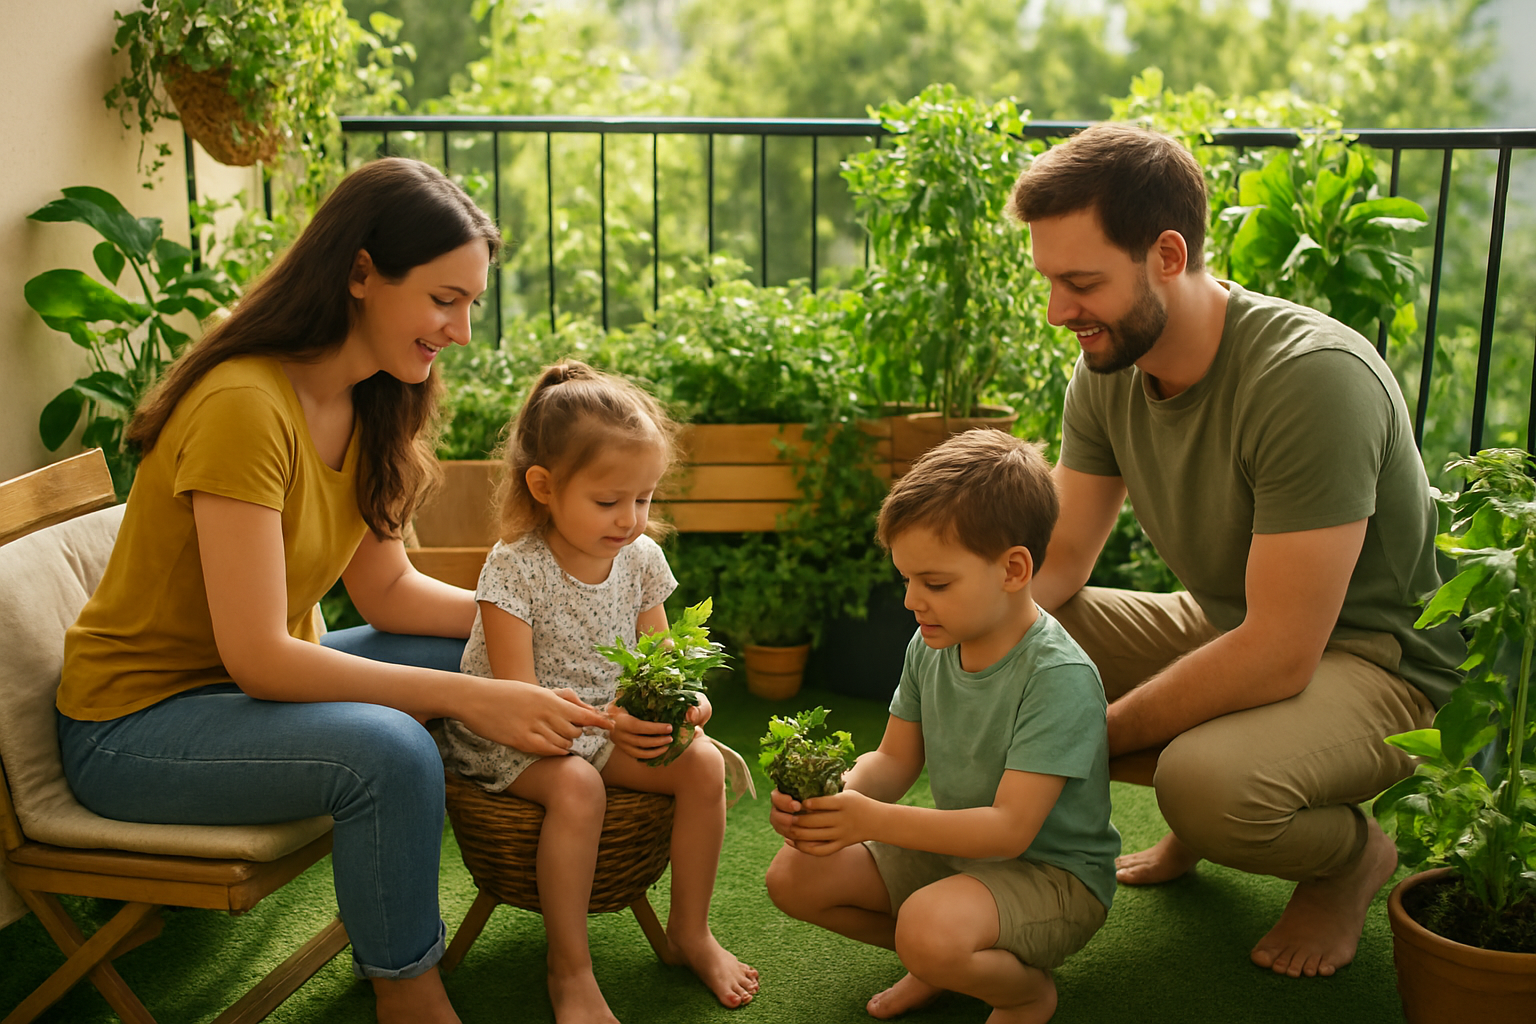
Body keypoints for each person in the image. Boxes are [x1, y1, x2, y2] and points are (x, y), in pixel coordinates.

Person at [55, 157, 614, 1024]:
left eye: (470, 302)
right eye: (443, 299)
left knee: (464, 644)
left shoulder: (375, 401)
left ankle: (544, 820)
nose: (460, 331)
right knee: (392, 748)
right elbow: (260, 659)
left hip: (244, 697)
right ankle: (409, 991)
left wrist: (543, 623)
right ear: (360, 272)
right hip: (136, 729)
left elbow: (388, 593)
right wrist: (475, 693)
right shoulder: (246, 403)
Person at [1008, 123, 1465, 979]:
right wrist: (968, 650)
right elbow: (1059, 565)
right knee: (997, 628)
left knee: (1206, 785)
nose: (1058, 312)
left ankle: (1350, 858)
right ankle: (1206, 797)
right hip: (1229, 626)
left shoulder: (1311, 378)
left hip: (1375, 660)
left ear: (1169, 254)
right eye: (1050, 281)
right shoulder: (1107, 364)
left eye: (1081, 282)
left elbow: (1281, 651)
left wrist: (1087, 739)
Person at [436, 361, 759, 1021]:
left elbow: (663, 661)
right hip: (513, 735)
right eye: (608, 502)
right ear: (545, 486)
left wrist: (687, 706)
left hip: (600, 728)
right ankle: (570, 971)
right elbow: (518, 705)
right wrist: (612, 727)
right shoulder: (515, 567)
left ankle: (690, 933)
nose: (630, 519)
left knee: (700, 764)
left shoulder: (640, 560)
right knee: (578, 786)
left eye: (644, 499)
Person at [765, 429, 1120, 1024]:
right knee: (796, 876)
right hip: (962, 859)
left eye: (934, 583)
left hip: (1053, 880)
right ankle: (938, 960)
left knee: (929, 929)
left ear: (1012, 569)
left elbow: (1010, 831)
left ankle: (1022, 992)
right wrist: (831, 803)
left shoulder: (1057, 675)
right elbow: (895, 760)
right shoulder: (933, 644)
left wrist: (871, 820)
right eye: (906, 579)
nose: (911, 601)